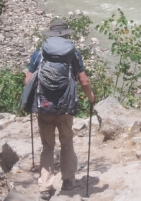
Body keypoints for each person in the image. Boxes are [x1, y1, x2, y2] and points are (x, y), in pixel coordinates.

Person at [25, 18, 95, 200]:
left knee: (47, 146)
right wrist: (91, 98)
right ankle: (68, 181)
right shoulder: (74, 54)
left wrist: (34, 102)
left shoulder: (38, 54)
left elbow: (28, 81)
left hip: (44, 107)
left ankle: (45, 187)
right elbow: (84, 81)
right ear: (65, 35)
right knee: (66, 142)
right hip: (65, 108)